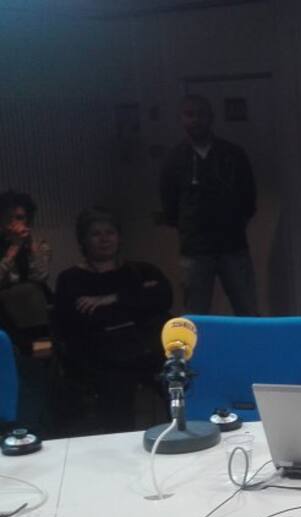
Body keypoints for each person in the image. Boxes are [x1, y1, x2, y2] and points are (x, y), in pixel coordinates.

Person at [53, 208, 174, 433]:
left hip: (147, 348)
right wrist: (136, 300)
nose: (104, 239)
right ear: (83, 240)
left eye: (110, 232)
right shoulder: (71, 279)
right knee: (114, 391)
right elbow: (76, 322)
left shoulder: (142, 271)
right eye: (96, 234)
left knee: (181, 377)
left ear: (119, 237)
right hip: (102, 356)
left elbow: (163, 298)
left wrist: (112, 299)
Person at [160, 94, 259, 316]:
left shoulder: (233, 154)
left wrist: (233, 223)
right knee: (196, 316)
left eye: (201, 114)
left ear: (211, 117)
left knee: (248, 311)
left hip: (233, 246)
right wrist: (190, 226)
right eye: (189, 114)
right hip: (195, 250)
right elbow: (170, 206)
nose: (196, 119)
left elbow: (249, 199)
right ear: (181, 119)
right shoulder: (174, 159)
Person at [0, 190, 52, 354]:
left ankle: (44, 361)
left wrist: (30, 246)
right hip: (5, 312)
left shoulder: (39, 243)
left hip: (34, 309)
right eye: (8, 217)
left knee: (43, 352)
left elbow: (41, 275)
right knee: (14, 355)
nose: (13, 222)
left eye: (19, 217)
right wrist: (14, 247)